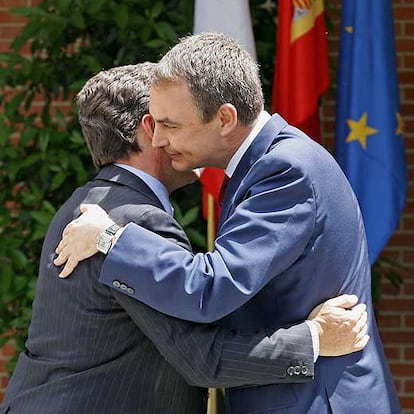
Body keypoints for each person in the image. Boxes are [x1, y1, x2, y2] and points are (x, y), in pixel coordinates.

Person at [52, 31, 399, 413]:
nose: (159, 140)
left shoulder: (285, 170)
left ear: (224, 118)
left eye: (170, 125)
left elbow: (213, 287)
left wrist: (111, 239)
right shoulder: (266, 165)